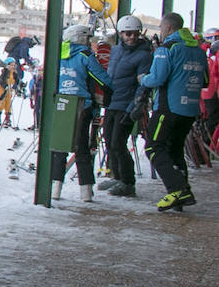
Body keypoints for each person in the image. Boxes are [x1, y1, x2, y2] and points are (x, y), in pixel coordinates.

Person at [137, 11, 207, 211]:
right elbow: (205, 81)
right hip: (190, 108)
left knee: (153, 147)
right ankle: (180, 198)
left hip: (168, 108)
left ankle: (178, 189)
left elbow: (157, 78)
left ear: (167, 27)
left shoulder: (167, 48)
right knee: (175, 149)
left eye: (161, 27)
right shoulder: (199, 50)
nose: (160, 31)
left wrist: (143, 79)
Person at [49, 23, 112, 202]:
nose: (89, 43)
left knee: (59, 147)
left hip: (62, 104)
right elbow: (102, 77)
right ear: (81, 38)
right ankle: (85, 191)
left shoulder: (58, 54)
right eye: (87, 39)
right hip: (82, 106)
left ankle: (55, 188)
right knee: (82, 148)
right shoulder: (85, 55)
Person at [96, 15, 150, 198]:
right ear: (121, 34)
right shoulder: (116, 51)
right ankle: (117, 175)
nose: (131, 37)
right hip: (112, 102)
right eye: (128, 34)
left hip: (126, 104)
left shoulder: (143, 55)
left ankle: (128, 182)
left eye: (135, 34)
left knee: (119, 143)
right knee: (109, 140)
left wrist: (135, 106)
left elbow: (143, 84)